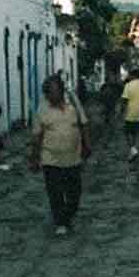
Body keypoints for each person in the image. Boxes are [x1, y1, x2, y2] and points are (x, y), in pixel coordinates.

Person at [29, 73, 89, 235]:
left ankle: (67, 215)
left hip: (73, 158)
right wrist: (34, 158)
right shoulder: (42, 109)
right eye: (48, 93)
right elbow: (37, 135)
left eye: (54, 92)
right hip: (51, 159)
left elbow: (83, 124)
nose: (51, 96)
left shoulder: (73, 104)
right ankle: (60, 222)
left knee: (74, 193)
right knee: (55, 192)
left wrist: (86, 145)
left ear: (61, 91)